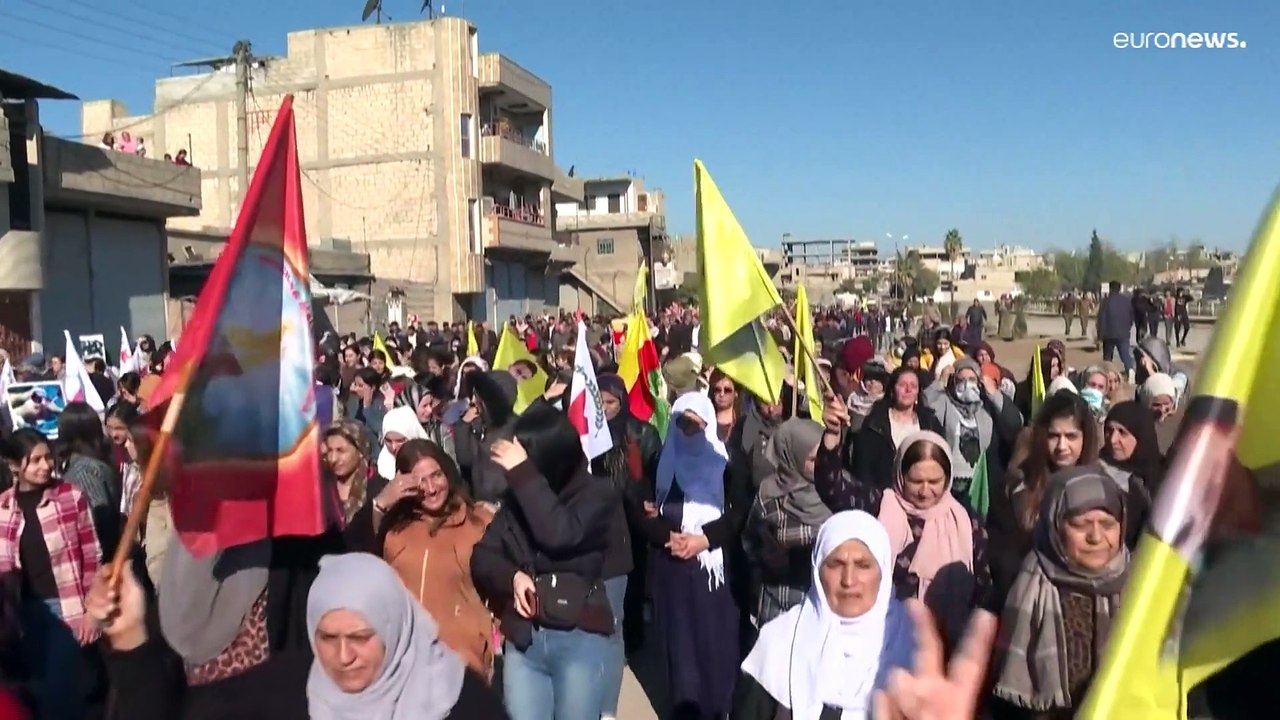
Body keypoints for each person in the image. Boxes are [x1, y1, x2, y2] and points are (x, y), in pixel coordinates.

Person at [470, 405, 618, 720]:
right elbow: (482, 556)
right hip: (526, 641)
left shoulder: (598, 494)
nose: (515, 469)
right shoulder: (518, 498)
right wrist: (512, 577)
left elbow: (559, 534)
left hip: (578, 636)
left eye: (525, 461)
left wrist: (524, 475)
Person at [734, 510, 917, 718]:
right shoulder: (780, 642)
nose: (848, 580)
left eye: (863, 566)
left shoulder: (913, 646)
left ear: (883, 572)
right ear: (817, 570)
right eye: (835, 564)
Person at [991, 467, 1130, 719]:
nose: (1096, 537)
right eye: (1080, 525)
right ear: (1054, 525)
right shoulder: (1026, 586)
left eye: (1108, 525)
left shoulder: (1139, 587)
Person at [0, 429, 102, 720]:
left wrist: (92, 611)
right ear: (14, 465)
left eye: (48, 458)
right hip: (21, 613)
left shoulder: (70, 497)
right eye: (35, 460)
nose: (45, 466)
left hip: (65, 608)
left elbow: (92, 556)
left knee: (61, 691)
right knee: (37, 689)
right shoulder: (4, 506)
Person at [376, 439, 495, 679]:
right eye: (420, 481)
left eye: (436, 475)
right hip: (406, 666)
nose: (431, 489)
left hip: (464, 663)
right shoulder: (394, 529)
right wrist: (380, 504)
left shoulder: (479, 522)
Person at [1097, 282, 1135, 375]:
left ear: (1110, 288)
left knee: (1108, 356)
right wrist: (1128, 327)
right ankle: (1130, 370)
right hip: (1123, 333)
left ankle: (1107, 373)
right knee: (1125, 354)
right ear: (1119, 289)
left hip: (1108, 334)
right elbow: (1131, 316)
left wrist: (1100, 335)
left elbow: (1101, 318)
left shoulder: (1105, 301)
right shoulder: (1126, 301)